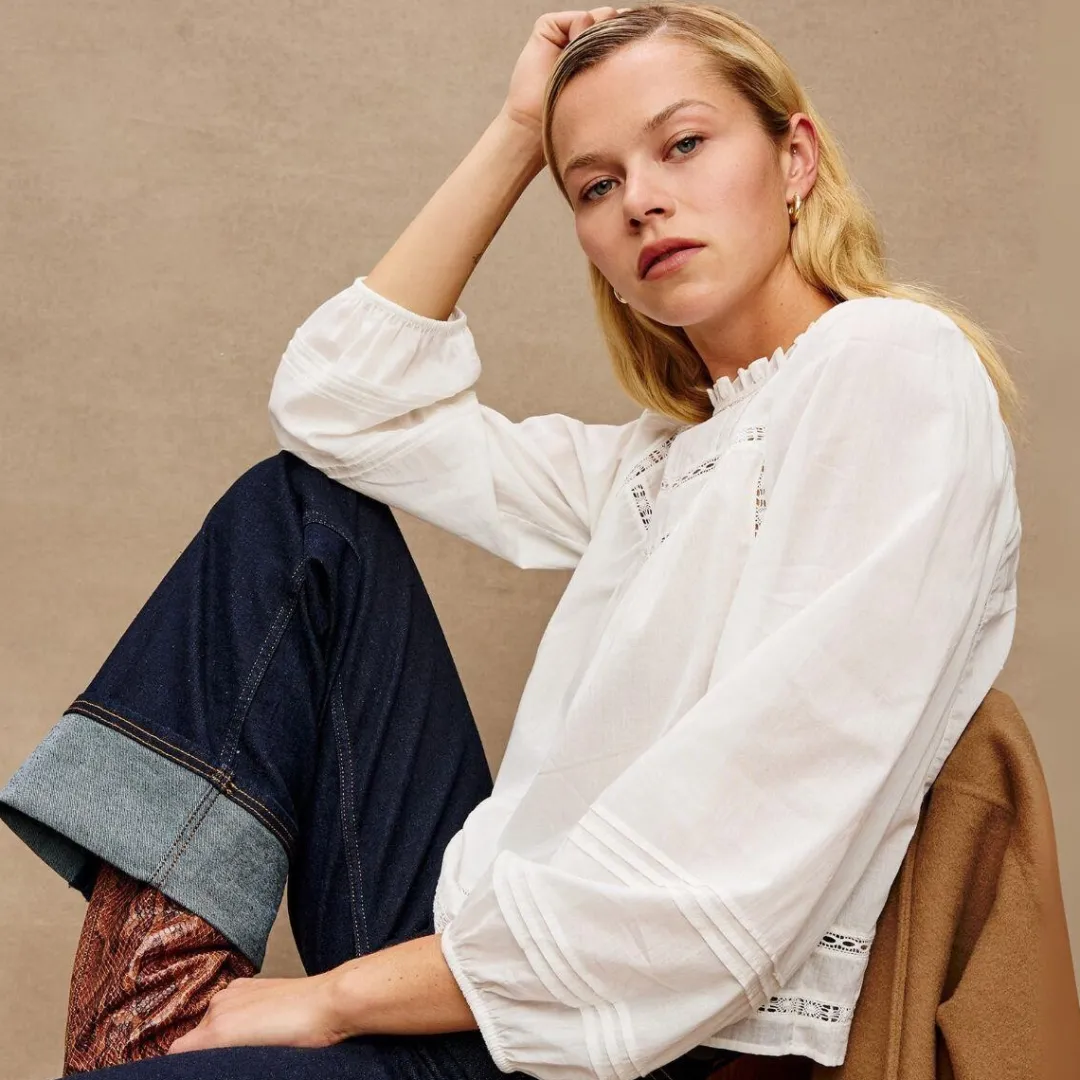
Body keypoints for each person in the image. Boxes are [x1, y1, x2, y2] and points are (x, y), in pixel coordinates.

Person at [0, 4, 1022, 1080]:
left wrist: (330, 1000)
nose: (643, 200)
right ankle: (142, 1032)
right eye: (595, 186)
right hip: (488, 958)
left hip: (620, 1023)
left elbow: (729, 870)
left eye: (683, 144)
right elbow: (335, 408)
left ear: (795, 157)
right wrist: (517, 133)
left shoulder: (891, 368)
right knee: (297, 514)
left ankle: (135, 1049)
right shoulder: (658, 464)